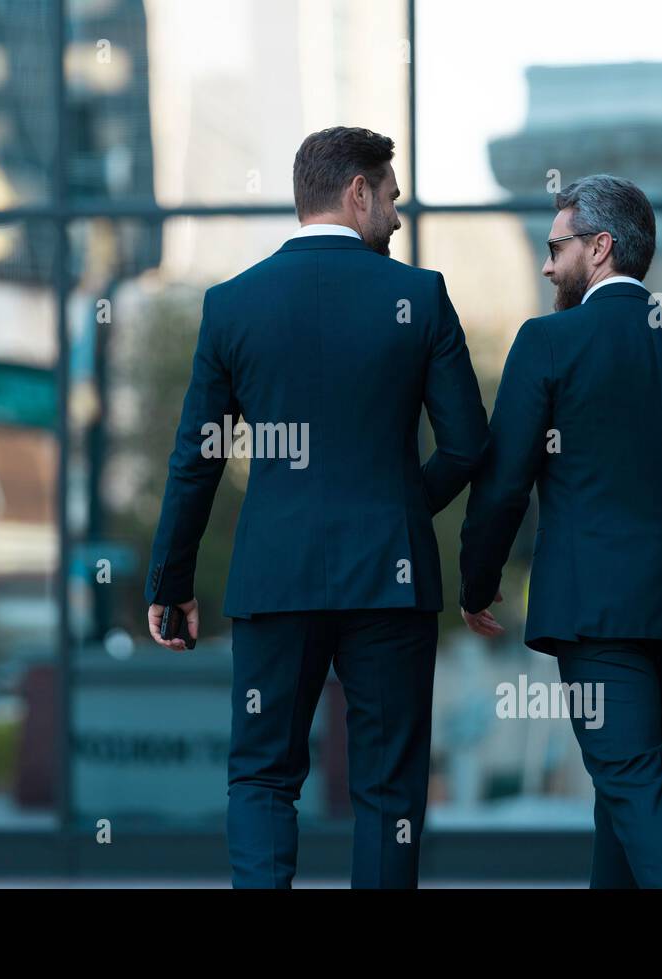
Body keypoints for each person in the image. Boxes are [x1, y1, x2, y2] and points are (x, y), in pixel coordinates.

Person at [143, 126, 488, 888]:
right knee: (388, 792)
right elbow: (467, 446)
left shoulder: (233, 305)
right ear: (357, 192)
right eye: (392, 197)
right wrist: (399, 510)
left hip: (276, 576)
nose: (397, 218)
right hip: (390, 583)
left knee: (263, 778)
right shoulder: (419, 297)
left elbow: (195, 457)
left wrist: (169, 583)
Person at [458, 174, 662, 888]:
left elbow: (504, 483)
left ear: (599, 249)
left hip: (597, 615)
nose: (546, 264)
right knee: (626, 791)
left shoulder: (547, 343)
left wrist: (477, 583)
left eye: (555, 247)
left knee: (631, 786)